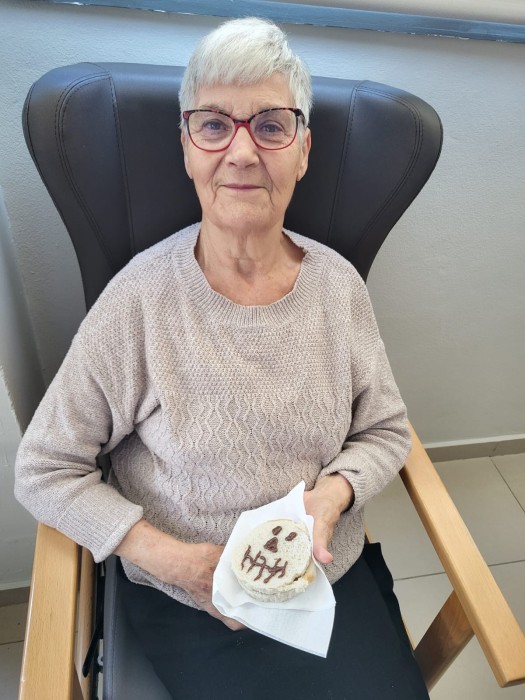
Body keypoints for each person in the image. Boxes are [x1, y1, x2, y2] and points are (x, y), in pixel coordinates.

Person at [15, 17, 429, 700]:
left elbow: (383, 430)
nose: (240, 152)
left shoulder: (338, 287)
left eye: (270, 126)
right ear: (186, 147)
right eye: (213, 125)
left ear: (302, 150)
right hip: (185, 595)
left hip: (323, 574)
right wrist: (173, 560)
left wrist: (333, 497)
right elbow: (44, 468)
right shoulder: (139, 301)